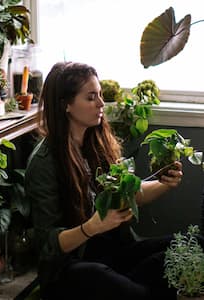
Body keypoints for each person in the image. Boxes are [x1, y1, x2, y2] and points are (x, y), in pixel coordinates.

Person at [24, 62, 183, 300]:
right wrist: (93, 226)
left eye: (99, 95)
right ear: (66, 104)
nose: (101, 104)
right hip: (72, 268)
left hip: (115, 252)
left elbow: (131, 194)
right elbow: (49, 245)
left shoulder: (96, 143)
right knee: (140, 292)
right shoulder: (44, 162)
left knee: (190, 245)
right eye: (91, 97)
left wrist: (164, 184)